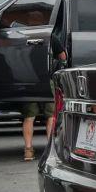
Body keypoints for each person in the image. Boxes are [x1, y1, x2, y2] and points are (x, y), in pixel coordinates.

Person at [22, 33, 67, 162]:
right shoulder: (50, 37)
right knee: (51, 116)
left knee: (29, 117)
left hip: (30, 80)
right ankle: (50, 149)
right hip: (47, 80)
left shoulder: (23, 37)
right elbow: (63, 57)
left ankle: (28, 150)